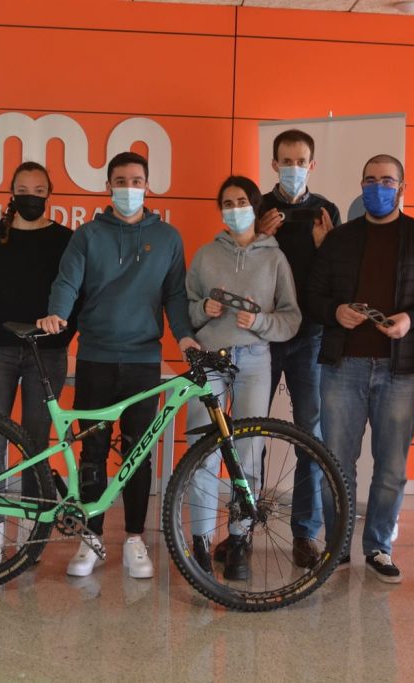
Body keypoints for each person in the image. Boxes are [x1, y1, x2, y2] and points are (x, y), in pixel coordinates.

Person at [37, 151, 198, 580]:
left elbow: (176, 296)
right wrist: (57, 313)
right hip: (96, 358)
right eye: (121, 180)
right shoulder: (87, 235)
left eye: (137, 180)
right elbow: (67, 281)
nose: (129, 187)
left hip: (145, 360)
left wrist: (183, 335)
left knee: (137, 454)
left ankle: (133, 540)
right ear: (108, 186)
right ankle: (90, 539)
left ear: (148, 185)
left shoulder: (168, 238)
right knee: (92, 450)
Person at [305, 154, 414, 584]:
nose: (378, 187)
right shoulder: (340, 240)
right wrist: (335, 311)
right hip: (343, 366)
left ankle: (379, 547)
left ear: (402, 188)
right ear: (361, 185)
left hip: (402, 371)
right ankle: (336, 547)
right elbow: (312, 297)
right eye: (370, 180)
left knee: (391, 467)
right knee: (336, 463)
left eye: (387, 181)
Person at [184, 175, 301, 579]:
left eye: (241, 201)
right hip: (210, 359)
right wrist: (204, 311)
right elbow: (186, 309)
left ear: (254, 206)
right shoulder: (204, 256)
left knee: (248, 448)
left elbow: (291, 317)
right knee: (202, 449)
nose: (234, 209)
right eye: (227, 203)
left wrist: (262, 321)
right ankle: (199, 541)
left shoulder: (275, 258)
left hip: (254, 359)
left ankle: (238, 539)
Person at [0, 161, 76, 565]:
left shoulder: (66, 239)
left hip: (46, 353)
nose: (31, 195)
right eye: (23, 188)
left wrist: (59, 335)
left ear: (50, 194)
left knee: (36, 442)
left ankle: (33, 527)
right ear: (11, 192)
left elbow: (75, 295)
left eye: (39, 188)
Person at [255, 129, 342, 569]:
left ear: (312, 164)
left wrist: (327, 248)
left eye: (301, 159)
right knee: (250, 435)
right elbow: (242, 268)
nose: (293, 167)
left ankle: (305, 534)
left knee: (310, 435)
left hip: (310, 338)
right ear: (273, 165)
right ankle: (242, 526)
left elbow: (338, 276)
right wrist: (256, 237)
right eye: (285, 160)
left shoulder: (326, 211)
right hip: (262, 337)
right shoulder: (256, 208)